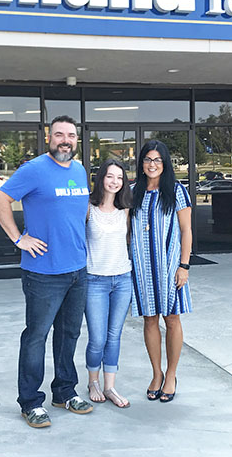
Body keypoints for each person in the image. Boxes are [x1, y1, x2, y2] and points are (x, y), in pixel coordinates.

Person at [0, 115, 93, 429]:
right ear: (49, 137)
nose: (65, 140)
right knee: (36, 337)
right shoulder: (33, 169)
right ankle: (30, 403)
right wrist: (18, 238)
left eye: (71, 135)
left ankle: (64, 392)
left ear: (77, 140)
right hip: (43, 273)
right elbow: (0, 198)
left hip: (78, 269)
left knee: (69, 334)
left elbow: (82, 212)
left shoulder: (79, 170)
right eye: (60, 134)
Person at [130, 140, 192, 403]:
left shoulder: (177, 191)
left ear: (164, 163)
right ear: (141, 163)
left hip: (170, 267)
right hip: (142, 268)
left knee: (172, 319)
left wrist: (184, 265)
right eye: (147, 159)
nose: (152, 164)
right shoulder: (132, 192)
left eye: (157, 160)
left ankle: (171, 374)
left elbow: (187, 230)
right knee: (150, 319)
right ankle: (156, 373)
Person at [85, 158, 133, 408]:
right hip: (94, 281)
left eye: (119, 177)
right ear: (101, 178)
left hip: (123, 279)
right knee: (97, 337)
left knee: (114, 336)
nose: (115, 181)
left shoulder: (125, 210)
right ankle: (92, 381)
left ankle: (110, 387)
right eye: (110, 176)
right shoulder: (88, 208)